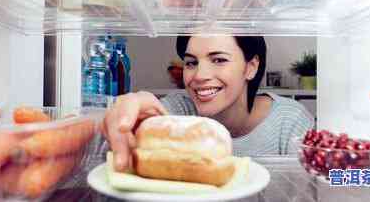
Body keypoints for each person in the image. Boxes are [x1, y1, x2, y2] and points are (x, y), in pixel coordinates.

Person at [98, 36, 314, 172]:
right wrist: (129, 116)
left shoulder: (289, 121)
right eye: (191, 62)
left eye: (219, 60)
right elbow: (148, 121)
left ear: (251, 67)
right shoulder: (180, 110)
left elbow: (321, 185)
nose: (199, 76)